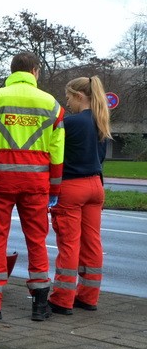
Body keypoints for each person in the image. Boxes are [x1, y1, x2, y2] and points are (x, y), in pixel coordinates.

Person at [0, 52, 64, 321]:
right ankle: (40, 304)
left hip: (0, 181)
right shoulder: (52, 105)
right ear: (35, 72)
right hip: (36, 183)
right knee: (37, 239)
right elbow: (57, 151)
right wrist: (55, 188)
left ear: (12, 70)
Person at [48, 76, 110, 315]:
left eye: (68, 98)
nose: (67, 103)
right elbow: (101, 158)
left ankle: (62, 298)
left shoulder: (70, 123)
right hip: (96, 185)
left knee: (69, 243)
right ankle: (88, 297)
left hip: (72, 186)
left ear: (79, 96)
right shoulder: (100, 121)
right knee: (92, 242)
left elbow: (55, 156)